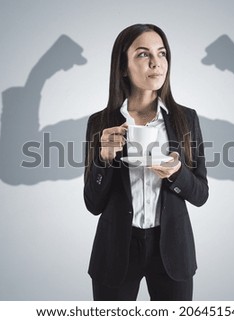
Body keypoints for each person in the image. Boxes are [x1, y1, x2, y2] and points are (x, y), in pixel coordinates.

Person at [83, 24, 209, 301]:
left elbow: (201, 194)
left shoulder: (186, 119)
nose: (156, 63)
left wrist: (177, 173)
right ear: (123, 67)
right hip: (116, 250)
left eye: (162, 53)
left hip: (172, 251)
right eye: (143, 54)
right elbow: (93, 204)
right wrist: (104, 159)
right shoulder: (101, 123)